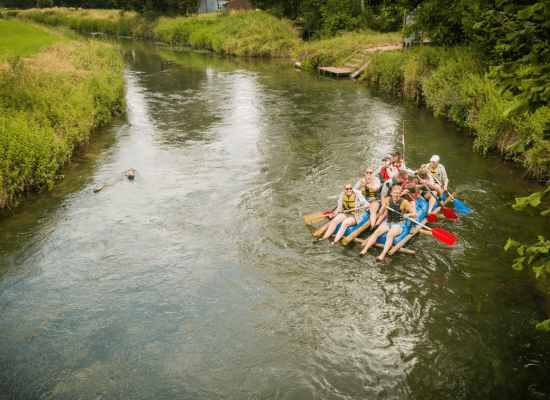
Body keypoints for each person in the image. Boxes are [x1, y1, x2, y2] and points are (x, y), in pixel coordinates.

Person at [359, 185, 417, 260]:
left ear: (400, 194)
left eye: (397, 193)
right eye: (394, 193)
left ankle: (382, 255)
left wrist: (408, 214)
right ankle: (365, 249)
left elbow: (415, 214)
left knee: (390, 235)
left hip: (398, 224)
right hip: (387, 222)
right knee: (377, 232)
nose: (396, 194)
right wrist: (382, 209)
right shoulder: (387, 200)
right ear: (391, 193)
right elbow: (380, 214)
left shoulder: (404, 202)